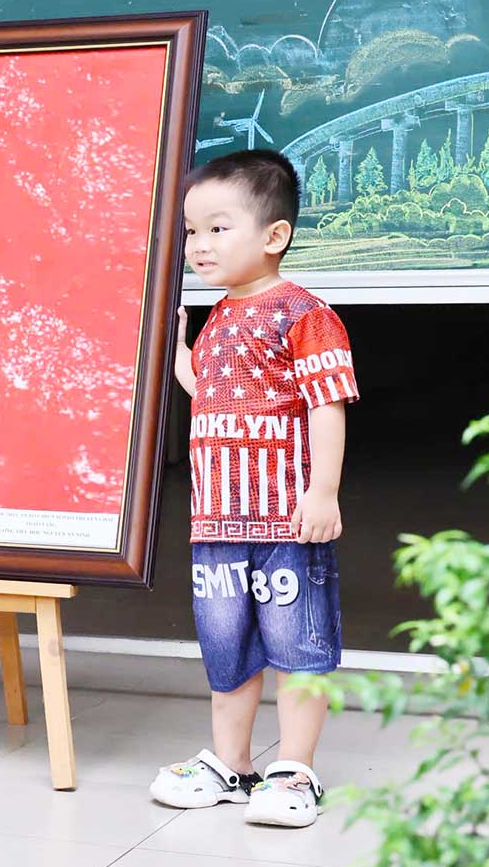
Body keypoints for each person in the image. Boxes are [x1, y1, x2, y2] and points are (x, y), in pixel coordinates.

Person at [150, 149, 357, 829]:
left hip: (285, 521)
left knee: (299, 643)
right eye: (191, 231)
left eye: (217, 227)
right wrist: (178, 357)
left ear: (274, 236)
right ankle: (230, 761)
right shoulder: (218, 318)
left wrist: (321, 492)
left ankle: (294, 769)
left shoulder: (302, 312)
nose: (198, 245)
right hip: (216, 520)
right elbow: (212, 393)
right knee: (227, 646)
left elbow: (327, 402)